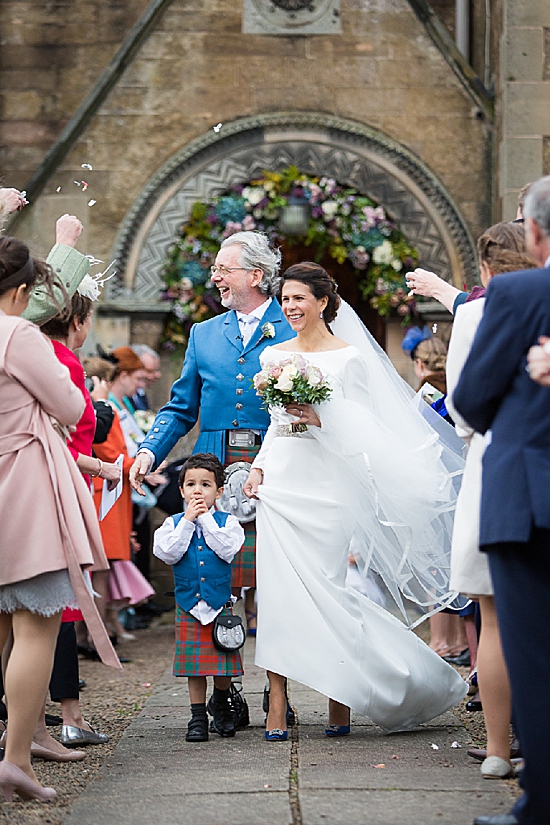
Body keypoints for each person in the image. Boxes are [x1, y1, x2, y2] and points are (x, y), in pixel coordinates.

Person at [244, 262, 467, 741]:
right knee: (277, 597)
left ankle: (342, 700)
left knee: (332, 594)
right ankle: (277, 704)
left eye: (299, 299)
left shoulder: (350, 358)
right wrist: (259, 465)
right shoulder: (273, 356)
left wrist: (323, 419)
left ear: (323, 302)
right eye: (285, 300)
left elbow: (369, 429)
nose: (291, 308)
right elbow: (275, 424)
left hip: (327, 488)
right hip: (281, 484)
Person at [0, 236, 118, 803]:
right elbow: (74, 408)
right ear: (20, 291)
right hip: (21, 487)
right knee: (36, 623)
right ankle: (17, 758)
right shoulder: (17, 333)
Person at [130, 231, 294, 640]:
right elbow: (181, 407)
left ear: (256, 275)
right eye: (215, 268)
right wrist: (149, 452)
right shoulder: (203, 333)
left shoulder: (292, 328)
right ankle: (221, 693)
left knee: (281, 579)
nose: (215, 276)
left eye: (224, 269)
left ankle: (280, 694)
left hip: (277, 468)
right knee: (213, 580)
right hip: (211, 472)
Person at [453, 176, 550, 825]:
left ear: (535, 233)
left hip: (528, 497)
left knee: (536, 654)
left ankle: (540, 803)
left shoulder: (518, 291)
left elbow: (470, 398)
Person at [41, 280, 121, 752]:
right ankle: (69, 717)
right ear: (78, 322)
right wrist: (97, 465)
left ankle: (43, 720)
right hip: (57, 491)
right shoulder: (64, 362)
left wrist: (97, 464)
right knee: (60, 603)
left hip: (63, 481)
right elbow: (62, 442)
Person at [153, 453, 245, 742]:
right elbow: (168, 552)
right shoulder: (173, 524)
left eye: (205, 485)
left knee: (222, 666)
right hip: (189, 605)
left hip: (219, 606)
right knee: (195, 669)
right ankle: (196, 718)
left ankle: (221, 705)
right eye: (191, 484)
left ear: (218, 491)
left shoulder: (228, 523)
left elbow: (226, 550)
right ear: (181, 491)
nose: (197, 490)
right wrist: (189, 522)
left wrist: (205, 519)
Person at [90, 350, 158, 639]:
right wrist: (139, 465)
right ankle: (95, 633)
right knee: (100, 566)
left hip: (115, 490)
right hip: (104, 490)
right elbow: (107, 451)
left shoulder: (117, 405)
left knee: (107, 565)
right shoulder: (107, 405)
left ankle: (102, 630)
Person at [129, 344, 162, 411]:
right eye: (150, 371)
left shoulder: (140, 393)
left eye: (157, 369)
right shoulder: (123, 396)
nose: (158, 375)